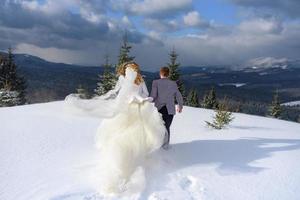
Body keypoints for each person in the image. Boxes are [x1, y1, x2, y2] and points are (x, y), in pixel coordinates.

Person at [64, 62, 166, 195]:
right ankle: (132, 156)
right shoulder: (140, 80)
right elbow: (145, 94)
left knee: (121, 132)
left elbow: (120, 95)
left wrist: (127, 100)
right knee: (138, 133)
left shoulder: (124, 79)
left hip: (126, 109)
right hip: (137, 108)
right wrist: (139, 98)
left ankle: (122, 159)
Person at [150, 66, 183, 150]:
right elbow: (178, 96)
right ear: (168, 74)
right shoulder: (173, 83)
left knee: (157, 127)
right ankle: (165, 147)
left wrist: (145, 102)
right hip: (169, 110)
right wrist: (180, 106)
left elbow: (153, 96)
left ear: (160, 73)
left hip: (158, 109)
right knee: (166, 127)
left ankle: (158, 146)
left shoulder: (155, 82)